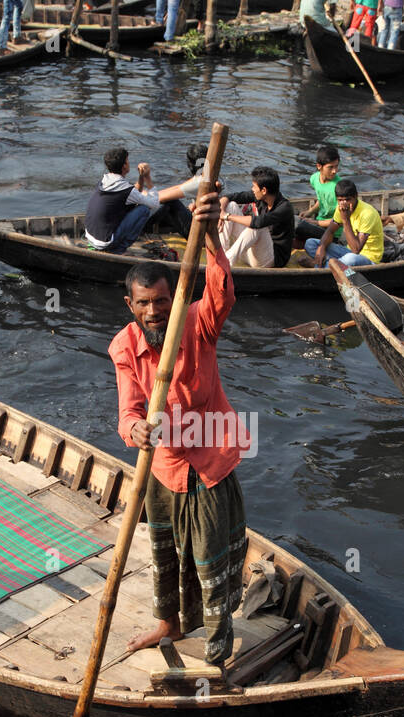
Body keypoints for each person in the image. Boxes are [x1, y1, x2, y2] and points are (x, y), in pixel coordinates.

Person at [111, 190, 249, 668]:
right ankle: (169, 623)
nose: (155, 312)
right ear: (131, 304)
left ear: (174, 298)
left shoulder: (195, 323)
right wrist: (137, 431)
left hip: (208, 462)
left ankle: (217, 648)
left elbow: (222, 292)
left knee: (210, 559)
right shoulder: (125, 347)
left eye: (162, 301)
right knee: (165, 554)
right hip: (164, 467)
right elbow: (128, 412)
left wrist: (210, 233)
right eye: (145, 303)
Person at [84, 147, 192, 253]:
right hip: (106, 242)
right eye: (127, 161)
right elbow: (154, 204)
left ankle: (114, 245)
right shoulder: (126, 190)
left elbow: (134, 191)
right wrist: (148, 178)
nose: (129, 163)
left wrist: (141, 178)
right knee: (143, 209)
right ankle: (119, 250)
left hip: (91, 237)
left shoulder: (104, 181)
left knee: (134, 206)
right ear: (124, 166)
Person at [218, 166, 294, 268]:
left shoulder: (285, 208)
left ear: (264, 190)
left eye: (254, 186)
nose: (252, 189)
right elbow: (228, 197)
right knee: (231, 205)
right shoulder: (260, 197)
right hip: (251, 254)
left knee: (258, 226)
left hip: (270, 260)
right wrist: (222, 212)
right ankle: (220, 254)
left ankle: (225, 263)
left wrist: (227, 216)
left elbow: (258, 223)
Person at [305, 179, 384, 268]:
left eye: (348, 199)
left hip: (368, 258)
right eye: (340, 200)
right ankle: (330, 264)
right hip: (347, 251)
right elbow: (330, 231)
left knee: (350, 259)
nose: (344, 203)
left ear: (356, 196)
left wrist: (345, 219)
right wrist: (322, 247)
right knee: (310, 243)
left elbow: (356, 250)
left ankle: (319, 265)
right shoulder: (340, 208)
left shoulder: (367, 213)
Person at [295, 145, 342, 242]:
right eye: (330, 167)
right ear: (319, 166)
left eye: (336, 166)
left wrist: (315, 222)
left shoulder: (339, 187)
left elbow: (339, 221)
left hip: (332, 231)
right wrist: (310, 212)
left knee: (297, 226)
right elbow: (321, 200)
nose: (334, 171)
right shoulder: (314, 179)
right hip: (319, 222)